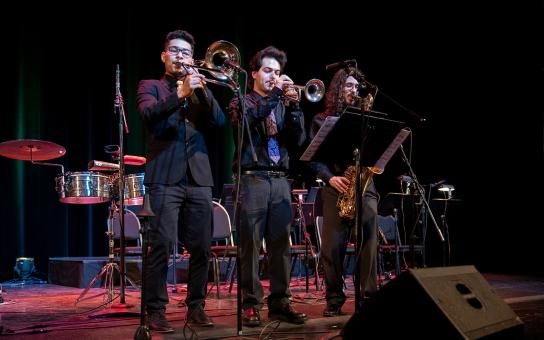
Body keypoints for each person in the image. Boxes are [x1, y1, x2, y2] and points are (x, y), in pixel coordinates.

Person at [137, 29, 225, 332]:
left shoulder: (199, 88)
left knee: (201, 247)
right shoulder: (151, 86)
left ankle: (196, 307)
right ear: (164, 55)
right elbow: (149, 115)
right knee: (160, 246)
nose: (180, 56)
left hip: (199, 179)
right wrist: (180, 94)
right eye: (174, 51)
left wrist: (201, 90)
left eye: (186, 52)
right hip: (164, 178)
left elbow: (220, 121)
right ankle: (156, 310)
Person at [228, 46, 307, 327]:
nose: (274, 76)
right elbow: (248, 122)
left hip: (280, 179)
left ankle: (280, 302)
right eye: (268, 70)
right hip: (253, 179)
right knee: (249, 246)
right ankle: (250, 304)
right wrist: (276, 96)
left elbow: (298, 141)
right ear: (254, 74)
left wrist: (295, 106)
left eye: (277, 72)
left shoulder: (283, 105)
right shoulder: (242, 101)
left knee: (280, 246)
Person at [308, 66, 379, 316]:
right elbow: (313, 160)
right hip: (336, 185)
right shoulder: (321, 120)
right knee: (332, 247)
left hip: (365, 184)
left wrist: (367, 118)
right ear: (338, 89)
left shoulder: (367, 119)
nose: (354, 90)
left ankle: (369, 294)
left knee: (370, 236)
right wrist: (330, 178)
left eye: (356, 87)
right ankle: (334, 299)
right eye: (348, 86)